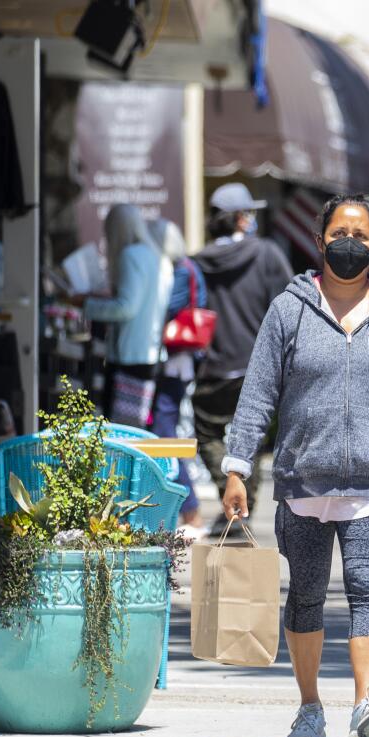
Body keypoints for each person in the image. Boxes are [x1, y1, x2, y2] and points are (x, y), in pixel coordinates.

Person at [220, 193, 369, 737]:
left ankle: (366, 704)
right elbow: (258, 393)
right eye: (339, 233)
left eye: (360, 235)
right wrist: (237, 467)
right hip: (302, 484)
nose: (349, 243)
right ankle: (310, 709)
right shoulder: (288, 310)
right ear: (319, 243)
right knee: (306, 599)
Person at [191, 183, 293, 523]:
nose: (251, 219)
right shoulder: (266, 254)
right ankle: (243, 503)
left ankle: (230, 494)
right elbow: (290, 308)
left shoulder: (198, 262)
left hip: (212, 367)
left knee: (207, 434)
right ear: (238, 219)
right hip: (257, 367)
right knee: (253, 441)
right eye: (248, 213)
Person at [76, 204, 173, 426]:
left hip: (128, 356)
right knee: (136, 433)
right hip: (149, 354)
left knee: (120, 436)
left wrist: (87, 303)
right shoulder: (157, 256)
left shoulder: (131, 255)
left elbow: (125, 307)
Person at [148, 217, 206, 529]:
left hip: (176, 356)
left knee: (164, 430)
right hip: (182, 357)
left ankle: (190, 508)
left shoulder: (180, 269)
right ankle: (186, 508)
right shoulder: (189, 267)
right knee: (165, 428)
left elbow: (169, 307)